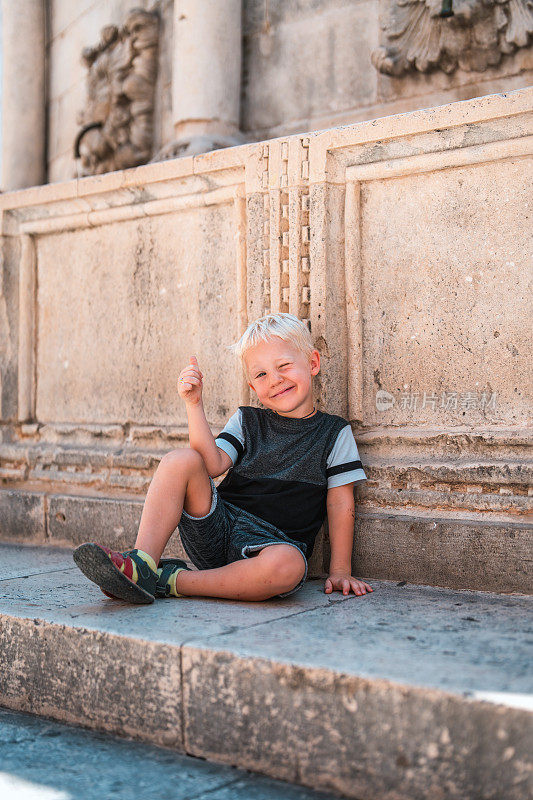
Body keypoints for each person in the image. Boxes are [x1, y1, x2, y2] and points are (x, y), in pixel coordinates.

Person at [73, 313, 372, 603]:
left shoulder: (334, 433)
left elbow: (340, 502)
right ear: (254, 387)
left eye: (284, 366)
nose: (275, 380)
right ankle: (143, 564)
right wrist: (194, 404)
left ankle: (171, 582)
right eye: (261, 374)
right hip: (218, 528)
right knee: (181, 460)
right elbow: (211, 465)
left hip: (274, 547)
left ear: (313, 363)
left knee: (290, 566)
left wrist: (341, 570)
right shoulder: (247, 421)